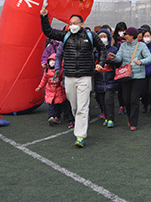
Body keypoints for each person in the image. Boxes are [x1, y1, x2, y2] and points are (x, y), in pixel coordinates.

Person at [40, 8, 106, 148]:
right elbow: (48, 31)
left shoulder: (90, 36)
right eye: (71, 23)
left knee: (82, 107)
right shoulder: (65, 36)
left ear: (82, 24)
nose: (73, 25)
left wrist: (100, 63)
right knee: (75, 107)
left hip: (85, 76)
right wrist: (44, 16)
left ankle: (80, 136)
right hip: (69, 76)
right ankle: (79, 122)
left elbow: (102, 49)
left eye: (76, 23)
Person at [108, 27, 151, 131]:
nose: (125, 37)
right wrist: (114, 57)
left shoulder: (141, 45)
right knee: (126, 99)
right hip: (126, 75)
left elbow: (149, 58)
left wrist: (141, 62)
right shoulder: (123, 45)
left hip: (138, 76)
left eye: (127, 35)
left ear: (132, 35)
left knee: (134, 99)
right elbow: (119, 58)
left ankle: (134, 122)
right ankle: (129, 117)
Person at [35, 53, 70, 125]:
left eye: (53, 60)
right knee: (51, 105)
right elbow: (44, 79)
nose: (52, 62)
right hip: (50, 91)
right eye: (50, 60)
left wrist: (62, 82)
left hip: (59, 91)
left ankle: (58, 117)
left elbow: (63, 77)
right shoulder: (47, 71)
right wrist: (40, 86)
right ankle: (51, 117)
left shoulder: (60, 70)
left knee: (59, 105)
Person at [93, 28, 118, 127]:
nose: (103, 38)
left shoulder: (113, 49)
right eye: (100, 37)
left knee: (109, 99)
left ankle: (111, 118)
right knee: (102, 100)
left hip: (110, 79)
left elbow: (119, 62)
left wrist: (113, 59)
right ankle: (106, 117)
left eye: (105, 36)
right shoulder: (95, 51)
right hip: (98, 79)